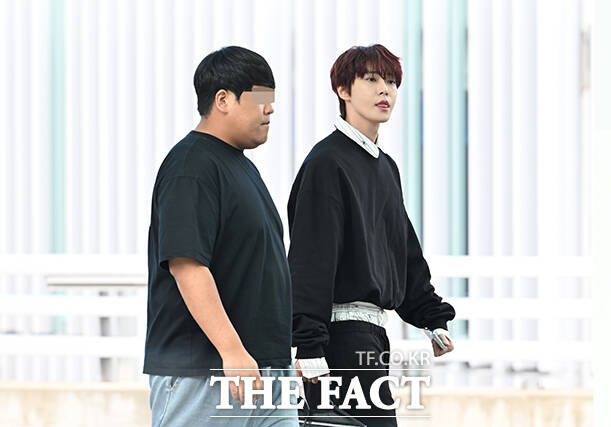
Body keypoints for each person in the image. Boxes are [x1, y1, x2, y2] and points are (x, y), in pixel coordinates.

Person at [288, 44, 456, 426]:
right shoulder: (326, 162)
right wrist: (309, 345)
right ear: (343, 90)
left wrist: (431, 317)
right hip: (337, 339)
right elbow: (311, 258)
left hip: (373, 337)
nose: (385, 90)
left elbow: (402, 251)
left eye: (392, 82)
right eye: (372, 79)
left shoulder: (385, 167)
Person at [144, 46, 297, 426]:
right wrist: (232, 350)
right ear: (223, 100)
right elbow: (187, 265)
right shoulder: (191, 166)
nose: (270, 109)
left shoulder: (243, 168)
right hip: (208, 371)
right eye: (261, 99)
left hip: (265, 371)